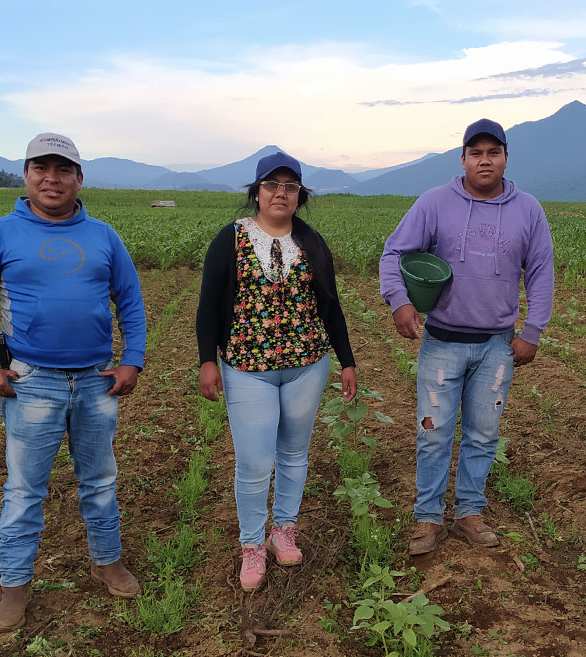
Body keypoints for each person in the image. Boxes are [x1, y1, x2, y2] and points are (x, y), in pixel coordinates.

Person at [0, 133, 147, 632]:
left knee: (99, 480)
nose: (51, 179)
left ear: (79, 179)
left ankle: (107, 561)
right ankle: (15, 584)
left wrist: (133, 361)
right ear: (26, 175)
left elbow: (132, 302)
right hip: (31, 380)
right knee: (25, 489)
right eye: (42, 168)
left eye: (63, 170)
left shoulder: (104, 236)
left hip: (97, 380)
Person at [379, 118, 554, 555]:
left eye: (493, 152)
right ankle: (427, 517)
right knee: (434, 432)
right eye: (476, 153)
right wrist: (399, 300)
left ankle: (470, 512)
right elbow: (393, 252)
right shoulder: (435, 203)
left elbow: (541, 271)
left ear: (505, 158)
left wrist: (532, 330)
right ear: (463, 159)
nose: (484, 160)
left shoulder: (528, 209)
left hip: (497, 345)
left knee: (483, 433)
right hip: (441, 341)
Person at [195, 151, 357, 591]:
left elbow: (332, 306)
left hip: (307, 364)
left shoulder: (312, 242)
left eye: (289, 187)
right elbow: (209, 304)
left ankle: (283, 530)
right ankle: (251, 545)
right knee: (253, 460)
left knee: (293, 453)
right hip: (247, 366)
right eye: (272, 185)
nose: (280, 194)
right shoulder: (230, 239)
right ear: (257, 191)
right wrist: (208, 360)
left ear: (299, 195)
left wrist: (346, 361)